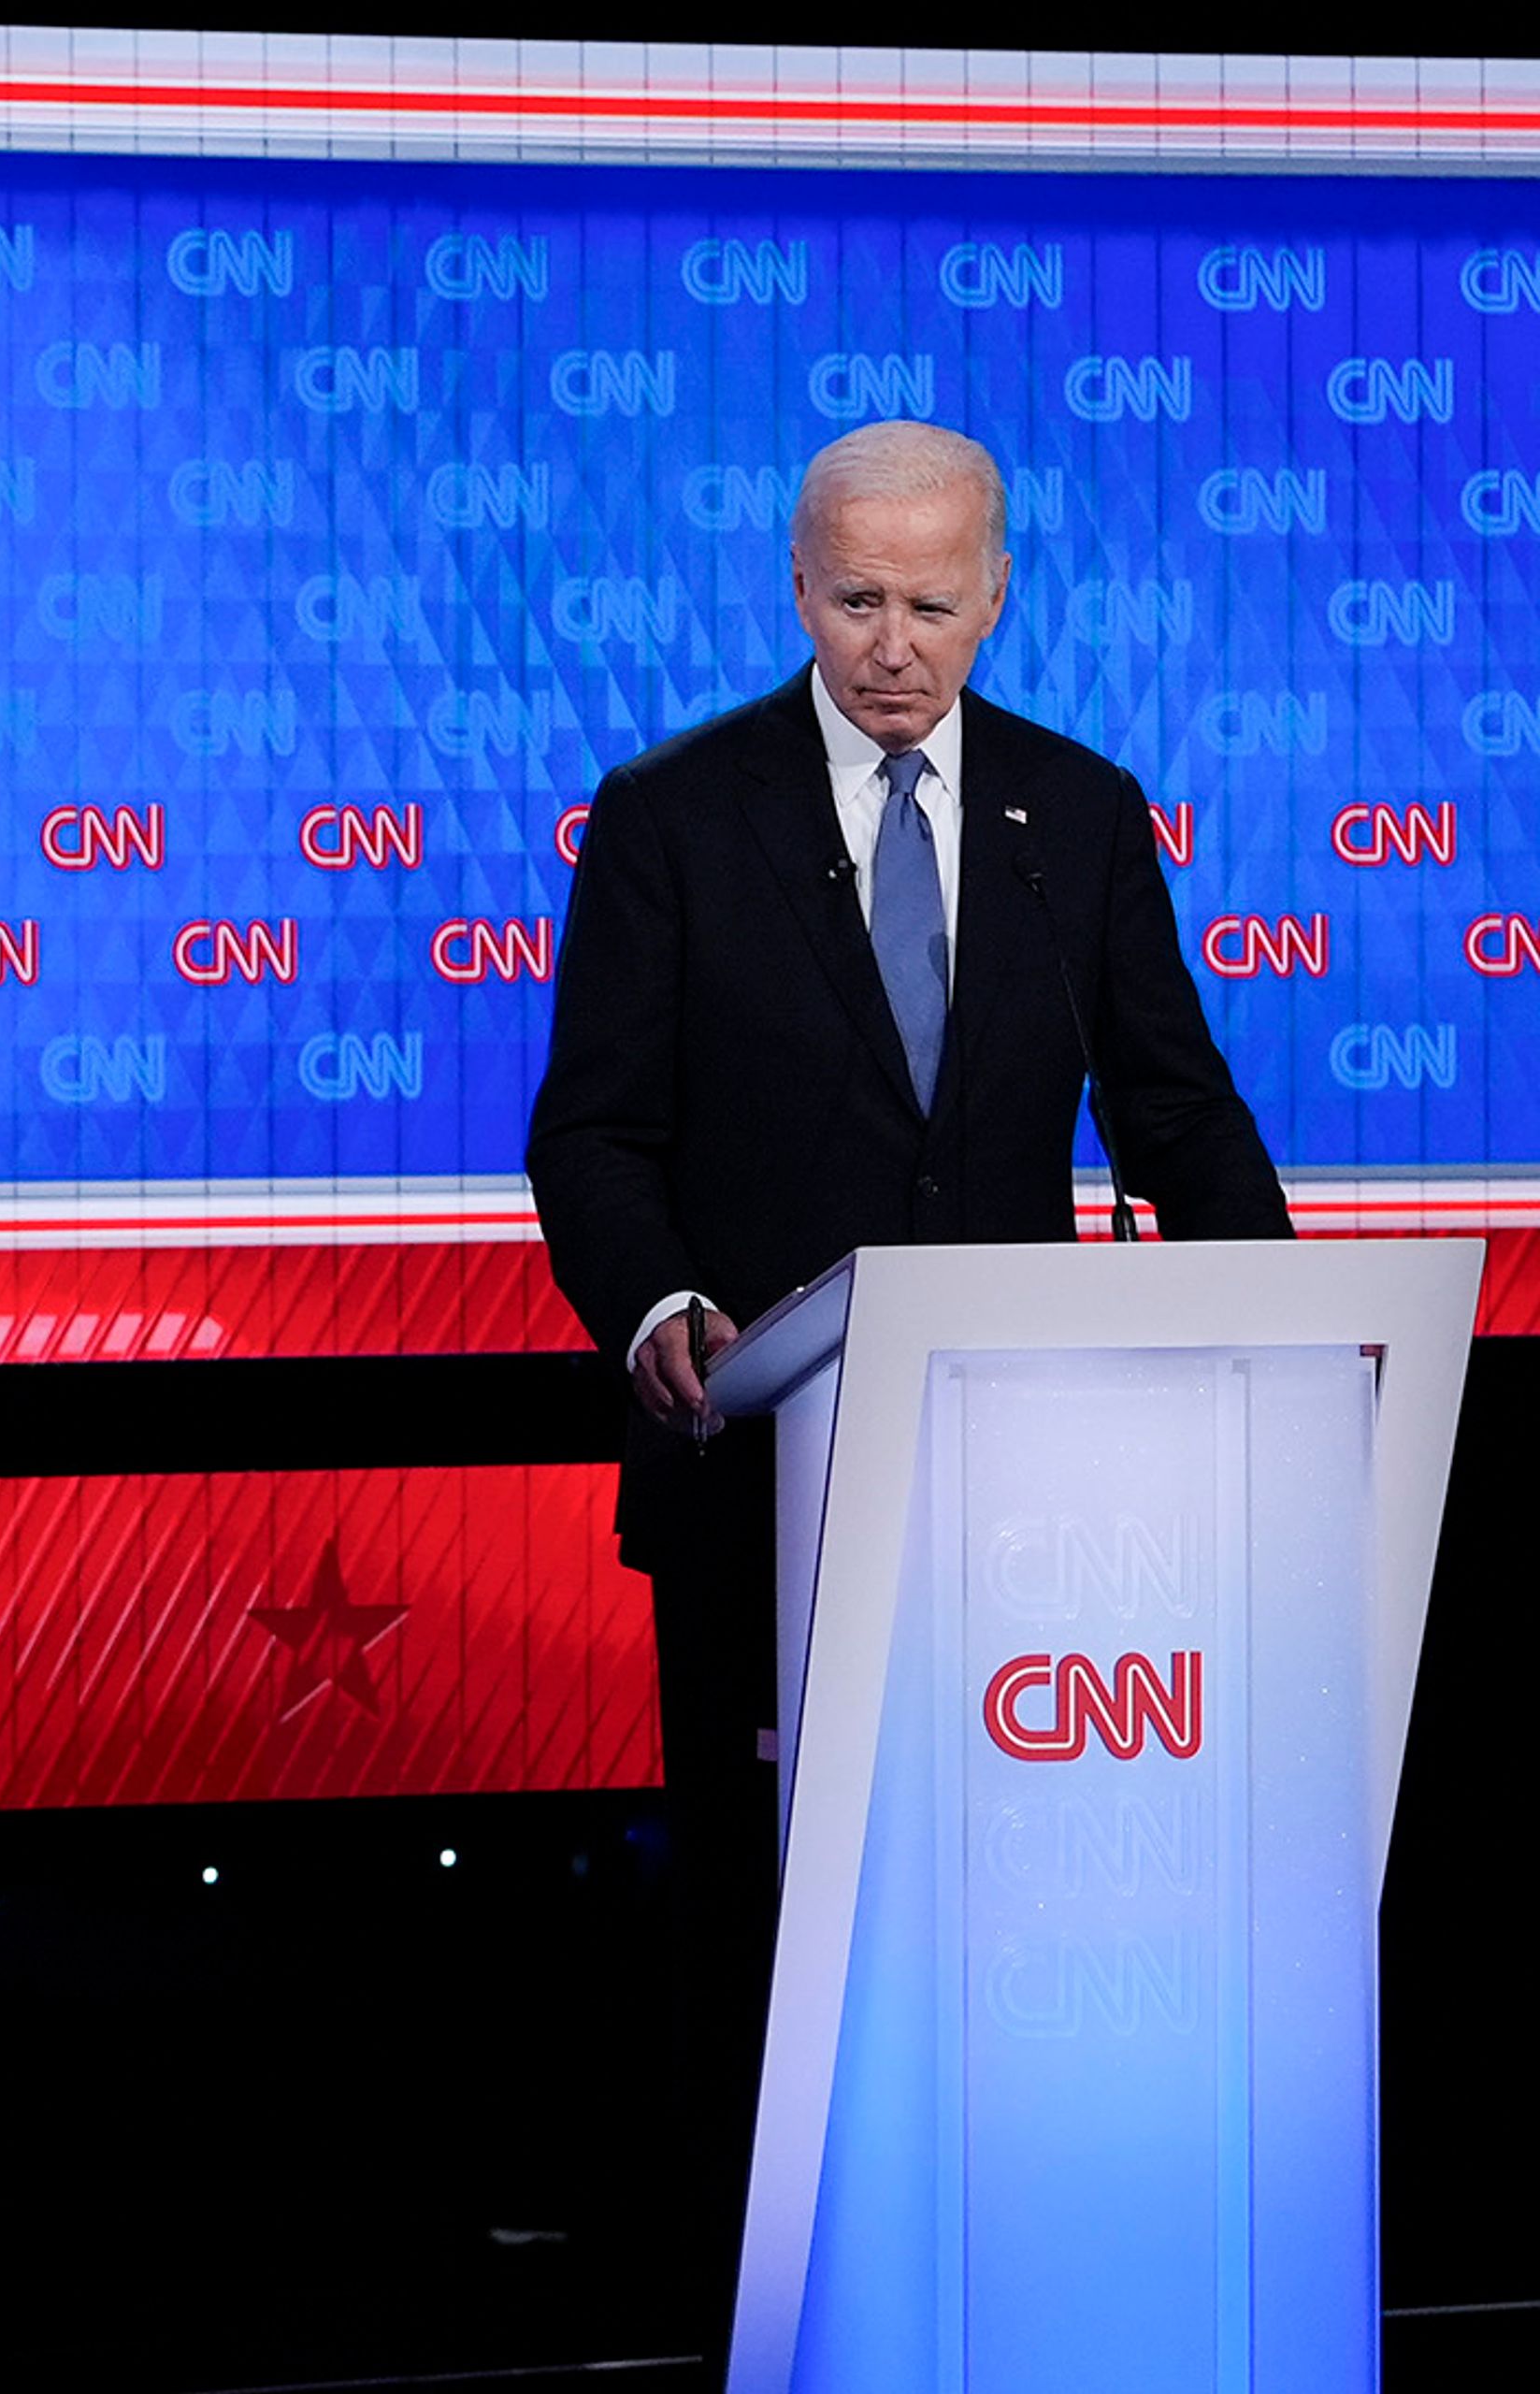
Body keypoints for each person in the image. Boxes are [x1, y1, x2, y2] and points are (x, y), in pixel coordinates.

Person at [522, 418, 1291, 2362]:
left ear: (997, 591)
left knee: (1005, 1910)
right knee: (766, 1923)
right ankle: (763, 2302)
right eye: (855, 598)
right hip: (756, 1466)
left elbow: (1176, 1112)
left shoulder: (1081, 813)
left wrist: (1281, 1342)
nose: (892, 642)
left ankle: (1015, 2281)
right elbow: (593, 1133)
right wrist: (661, 1302)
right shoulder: (671, 813)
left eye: (931, 602)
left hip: (1037, 1494)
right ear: (798, 584)